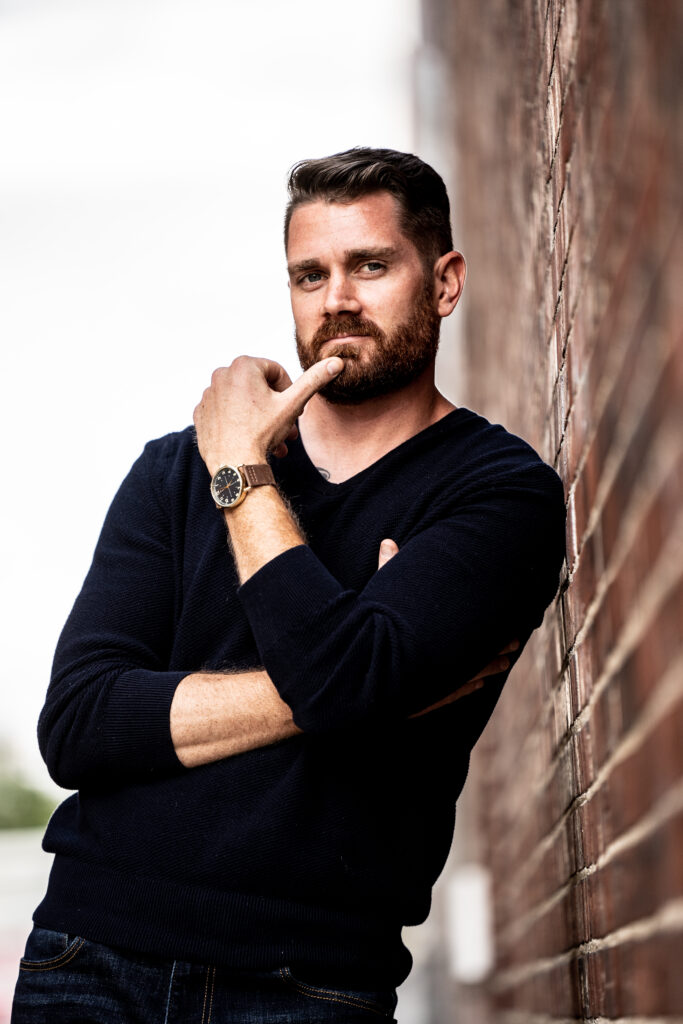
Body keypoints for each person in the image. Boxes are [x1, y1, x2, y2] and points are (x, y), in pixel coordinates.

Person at [12, 148, 566, 1023]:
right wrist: (355, 681)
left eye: (370, 265)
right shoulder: (170, 472)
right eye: (310, 274)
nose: (336, 298)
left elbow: (341, 681)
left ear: (445, 280)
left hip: (306, 983)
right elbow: (79, 724)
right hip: (89, 958)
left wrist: (240, 468)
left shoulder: (498, 494)